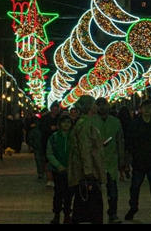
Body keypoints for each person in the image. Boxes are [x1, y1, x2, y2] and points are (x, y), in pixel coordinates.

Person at [67, 95, 105, 225]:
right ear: (89, 107)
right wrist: (88, 172)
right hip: (88, 170)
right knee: (92, 205)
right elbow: (85, 148)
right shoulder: (85, 124)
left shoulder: (85, 122)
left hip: (85, 168)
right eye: (94, 103)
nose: (96, 106)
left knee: (83, 203)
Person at [125, 99, 151, 223]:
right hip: (139, 161)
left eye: (149, 107)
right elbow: (130, 142)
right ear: (141, 109)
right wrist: (130, 157)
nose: (147, 110)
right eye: (144, 107)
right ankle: (133, 207)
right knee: (135, 187)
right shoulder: (135, 124)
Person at [92, 97, 126, 223]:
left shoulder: (115, 122)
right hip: (95, 161)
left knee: (113, 191)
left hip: (111, 160)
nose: (102, 107)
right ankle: (96, 215)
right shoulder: (91, 121)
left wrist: (122, 159)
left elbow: (120, 141)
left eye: (104, 104)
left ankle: (113, 213)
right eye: (99, 105)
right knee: (96, 192)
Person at [47, 114, 73, 224]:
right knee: (58, 193)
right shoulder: (54, 137)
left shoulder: (74, 137)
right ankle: (57, 214)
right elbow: (50, 153)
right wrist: (58, 165)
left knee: (69, 194)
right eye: (64, 122)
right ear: (60, 124)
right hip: (58, 171)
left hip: (71, 171)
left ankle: (67, 215)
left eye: (68, 122)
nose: (66, 124)